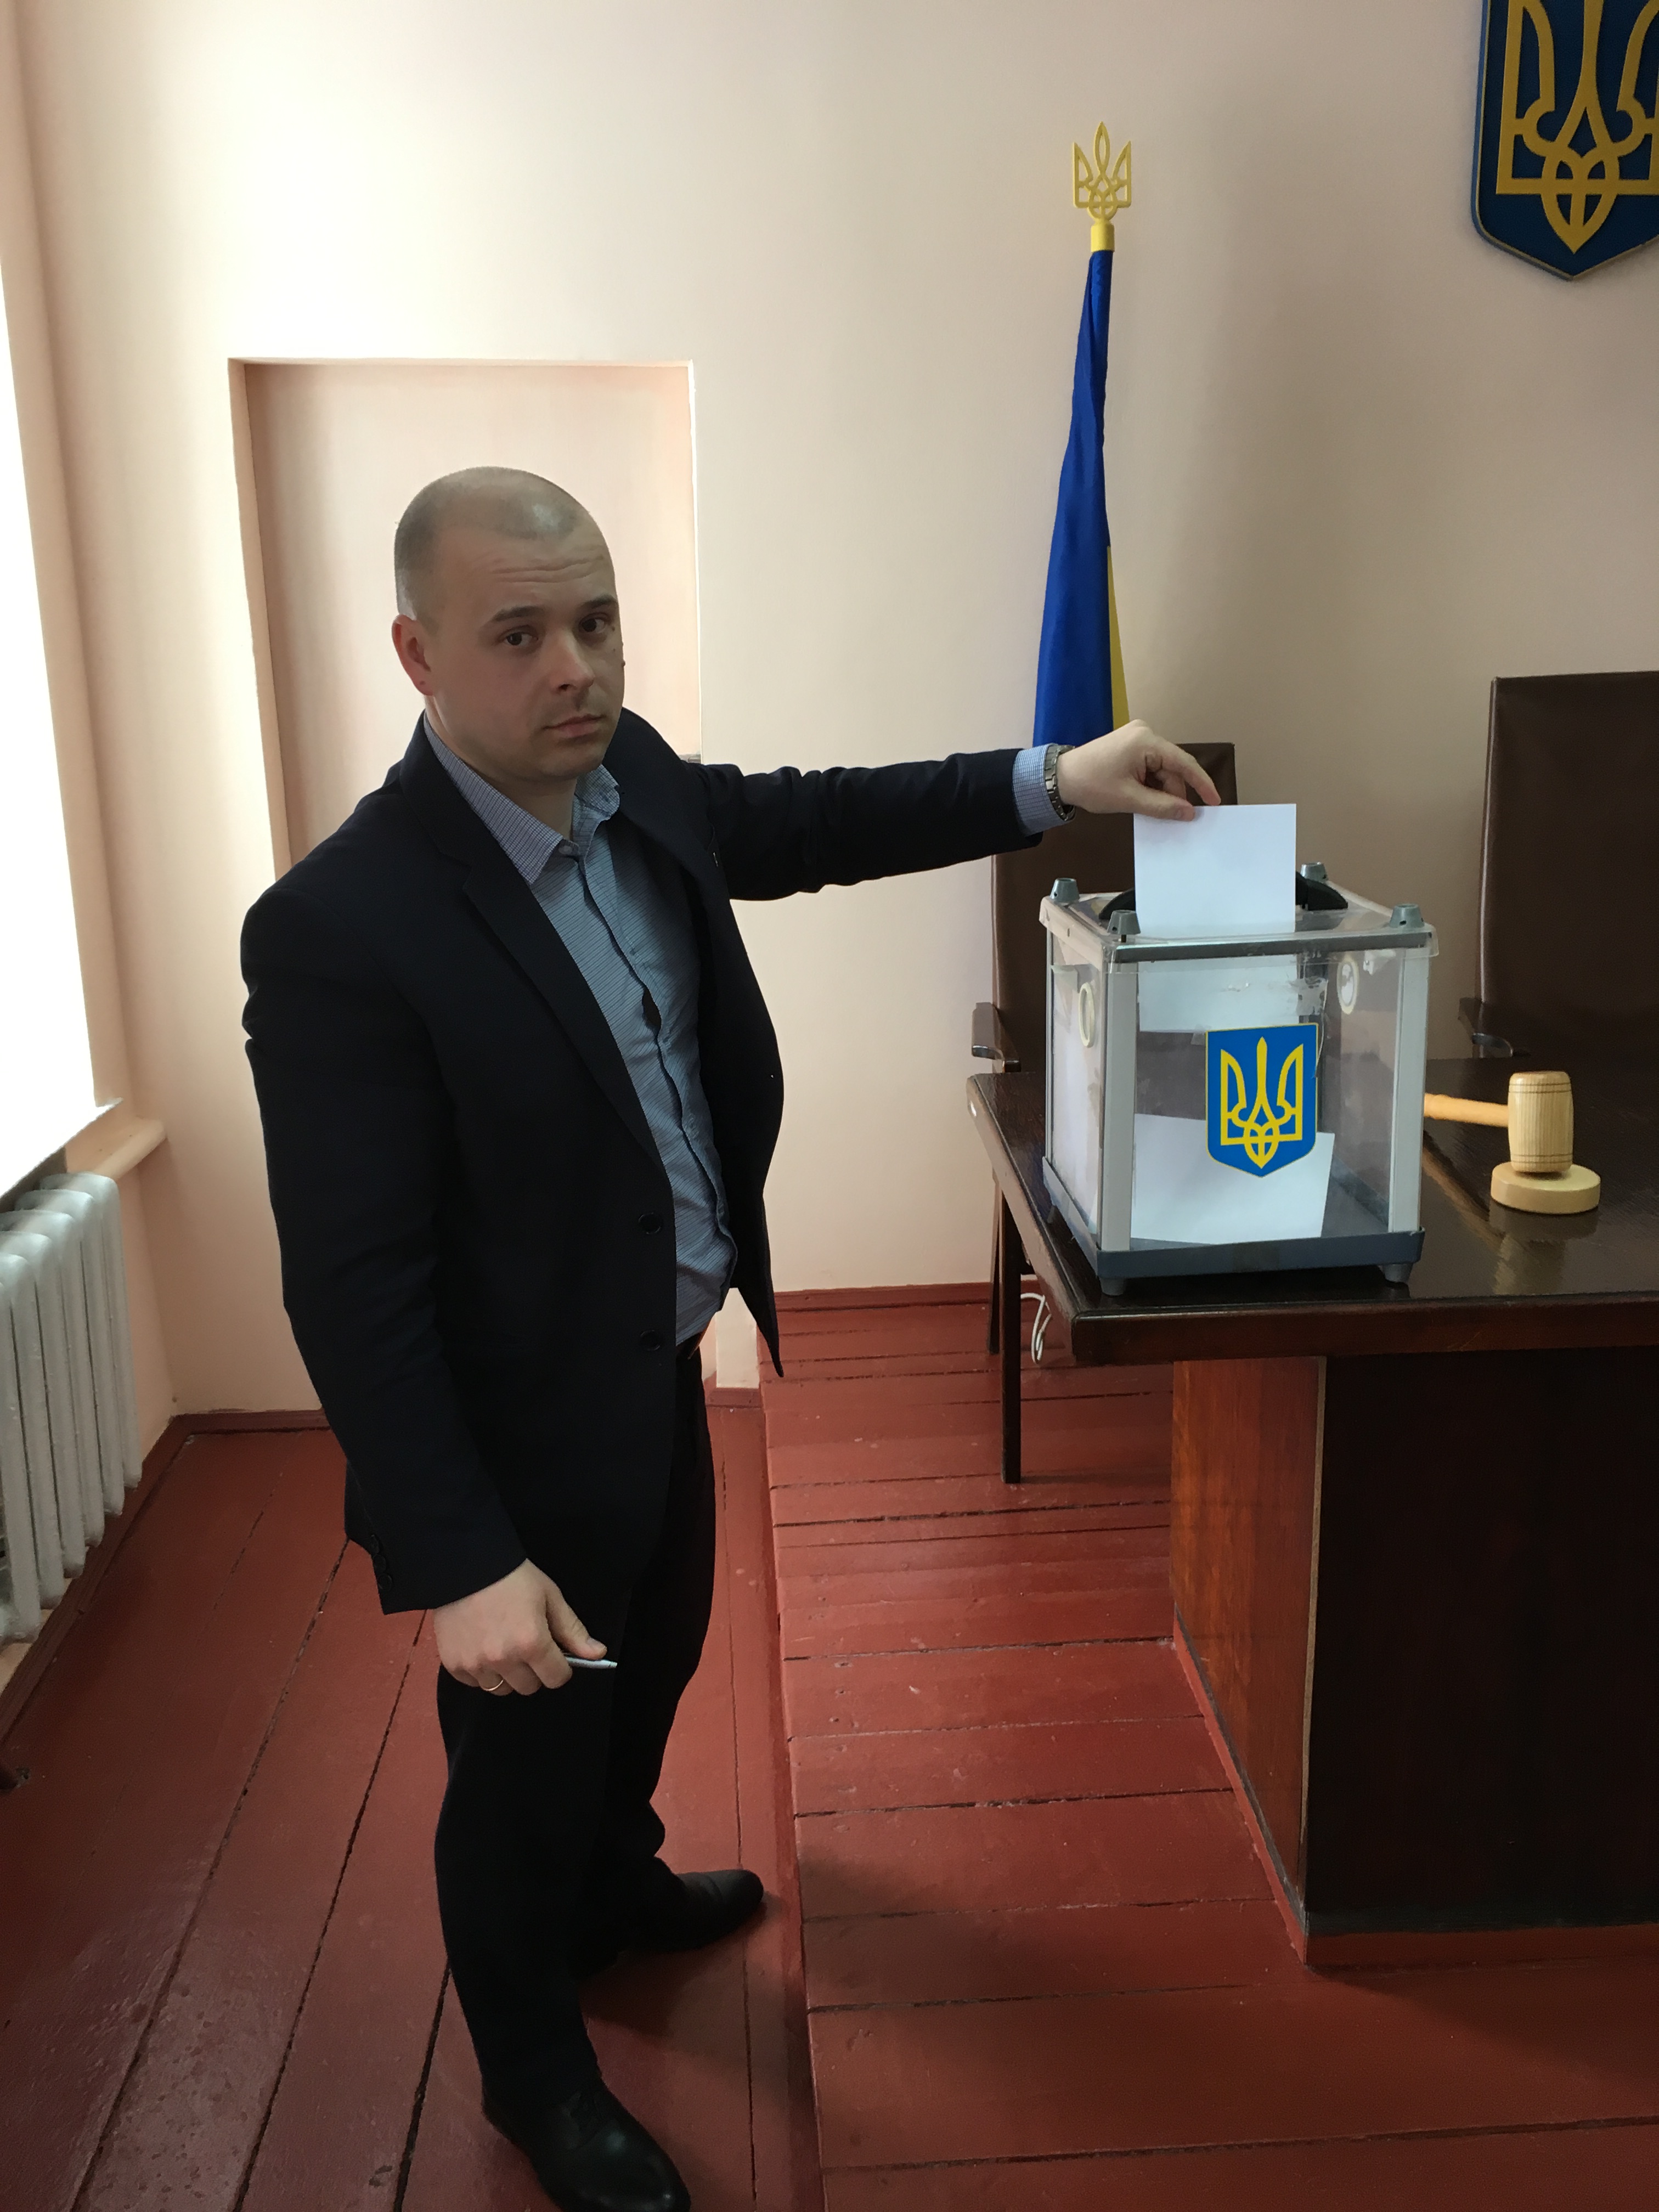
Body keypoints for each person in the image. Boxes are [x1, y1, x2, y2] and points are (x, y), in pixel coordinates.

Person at [240, 466, 1219, 2212]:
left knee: (658, 1663)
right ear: (417, 653)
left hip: (666, 1363)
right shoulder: (342, 928)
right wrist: (462, 1560)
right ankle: (536, 2070)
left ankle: (616, 1888)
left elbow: (808, 821)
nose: (576, 667)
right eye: (520, 634)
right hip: (515, 1441)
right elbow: (352, 1287)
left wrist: (1049, 779)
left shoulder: (629, 779)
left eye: (596, 621)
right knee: (521, 1772)